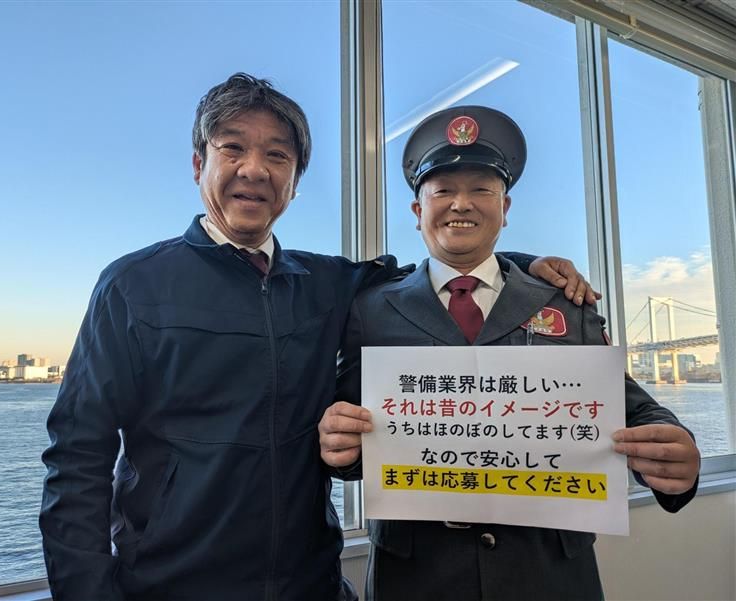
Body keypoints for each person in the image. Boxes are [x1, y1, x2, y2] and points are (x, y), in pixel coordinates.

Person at [40, 74, 599, 600]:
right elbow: (77, 455)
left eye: (277, 155)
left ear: (294, 182)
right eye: (232, 148)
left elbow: (441, 271)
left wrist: (527, 267)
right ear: (197, 164)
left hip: (310, 583)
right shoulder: (133, 285)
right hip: (171, 586)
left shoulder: (327, 283)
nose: (254, 169)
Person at [318, 105, 701, 600]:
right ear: (417, 212)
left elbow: (630, 407)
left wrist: (675, 451)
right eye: (443, 191)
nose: (461, 204)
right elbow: (352, 432)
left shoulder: (567, 302)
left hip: (548, 576)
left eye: (482, 190)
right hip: (415, 578)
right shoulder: (371, 309)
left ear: (505, 207)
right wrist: (340, 449)